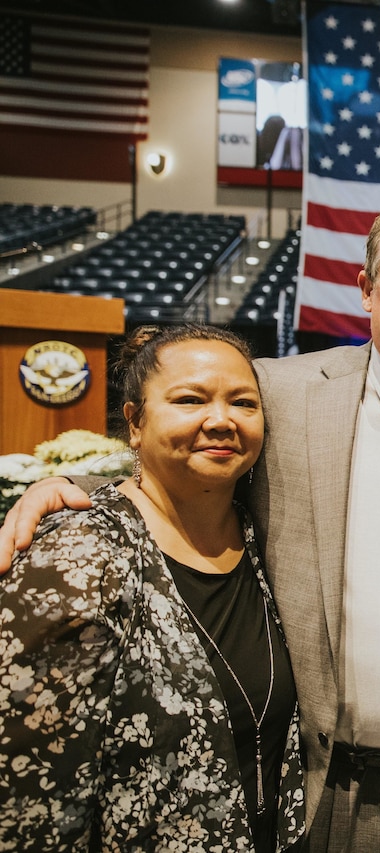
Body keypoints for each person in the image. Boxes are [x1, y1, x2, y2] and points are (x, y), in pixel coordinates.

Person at [0, 202, 380, 852]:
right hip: (337, 793)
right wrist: (77, 489)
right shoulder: (283, 393)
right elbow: (197, 447)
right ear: (366, 288)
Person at [0, 324, 305, 851]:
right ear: (135, 422)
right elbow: (33, 790)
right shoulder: (79, 554)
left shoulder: (266, 538)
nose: (220, 419)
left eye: (243, 403)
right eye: (190, 400)